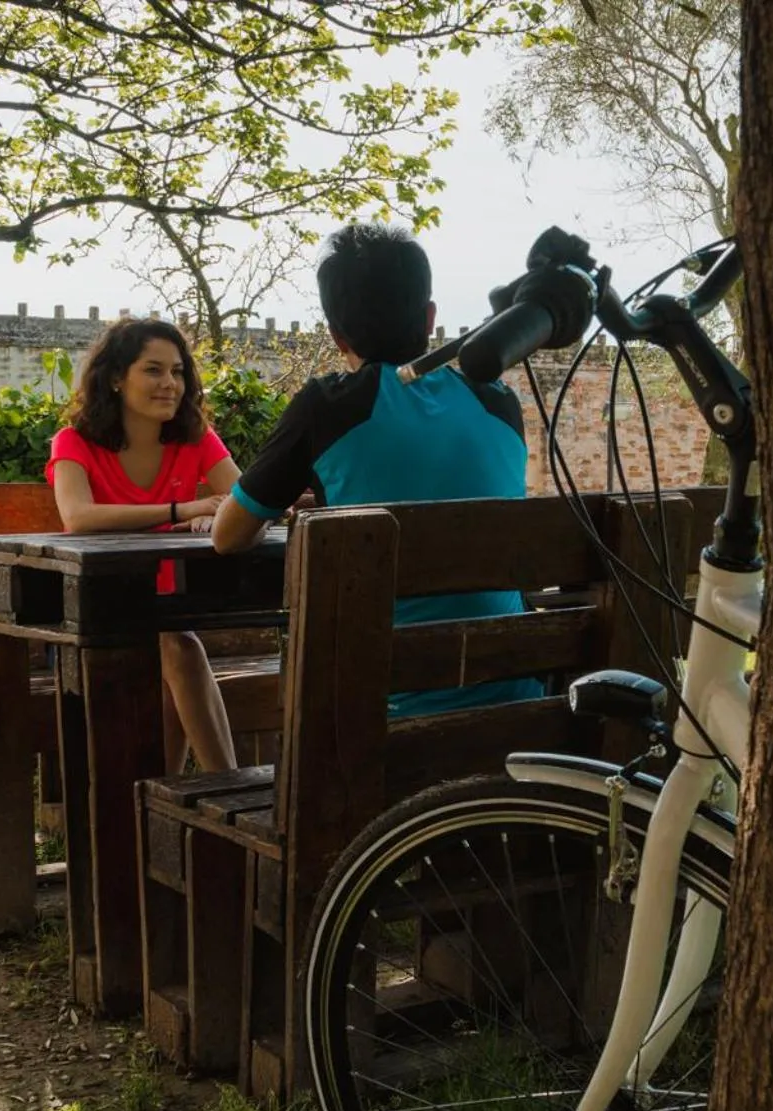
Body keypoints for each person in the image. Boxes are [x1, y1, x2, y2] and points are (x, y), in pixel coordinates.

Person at [211, 223, 544, 717]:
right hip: (514, 700)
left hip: (377, 717)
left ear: (335, 333)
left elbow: (227, 536)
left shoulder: (327, 407)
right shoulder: (499, 403)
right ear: (430, 317)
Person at [47, 318, 239, 772]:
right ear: (115, 377)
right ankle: (228, 786)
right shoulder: (73, 442)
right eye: (153, 370)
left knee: (176, 648)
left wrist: (216, 511)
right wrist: (183, 510)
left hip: (167, 612)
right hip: (89, 617)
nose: (169, 383)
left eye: (177, 372)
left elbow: (242, 500)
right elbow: (78, 517)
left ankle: (162, 807)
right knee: (179, 647)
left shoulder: (195, 437)